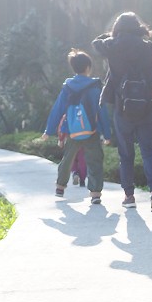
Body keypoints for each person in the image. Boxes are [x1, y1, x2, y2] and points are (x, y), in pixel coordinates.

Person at [92, 11, 152, 211]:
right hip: (147, 107)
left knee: (126, 154)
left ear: (118, 29)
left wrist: (111, 36)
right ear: (137, 27)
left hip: (122, 109)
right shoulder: (148, 47)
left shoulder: (111, 46)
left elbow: (95, 42)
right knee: (148, 151)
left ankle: (129, 196)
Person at [41, 49, 112, 204]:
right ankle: (95, 193)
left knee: (67, 159)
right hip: (91, 131)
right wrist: (107, 134)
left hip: (72, 130)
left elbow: (58, 108)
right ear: (88, 67)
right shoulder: (95, 86)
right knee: (95, 160)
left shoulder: (68, 87)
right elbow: (102, 111)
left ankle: (60, 187)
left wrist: (49, 130)